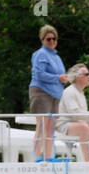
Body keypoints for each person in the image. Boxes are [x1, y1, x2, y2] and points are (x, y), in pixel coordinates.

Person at [29, 25, 69, 158]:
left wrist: (64, 79)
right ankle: (37, 158)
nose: (52, 41)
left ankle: (48, 157)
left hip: (55, 94)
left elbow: (60, 75)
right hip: (41, 92)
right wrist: (58, 78)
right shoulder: (40, 54)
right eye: (48, 39)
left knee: (50, 127)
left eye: (54, 39)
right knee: (41, 125)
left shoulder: (56, 57)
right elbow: (39, 74)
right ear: (42, 40)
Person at [57, 63, 89, 161]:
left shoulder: (81, 93)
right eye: (87, 74)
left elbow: (84, 118)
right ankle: (87, 162)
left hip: (79, 125)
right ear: (77, 77)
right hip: (64, 125)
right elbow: (76, 116)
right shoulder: (70, 92)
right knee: (83, 127)